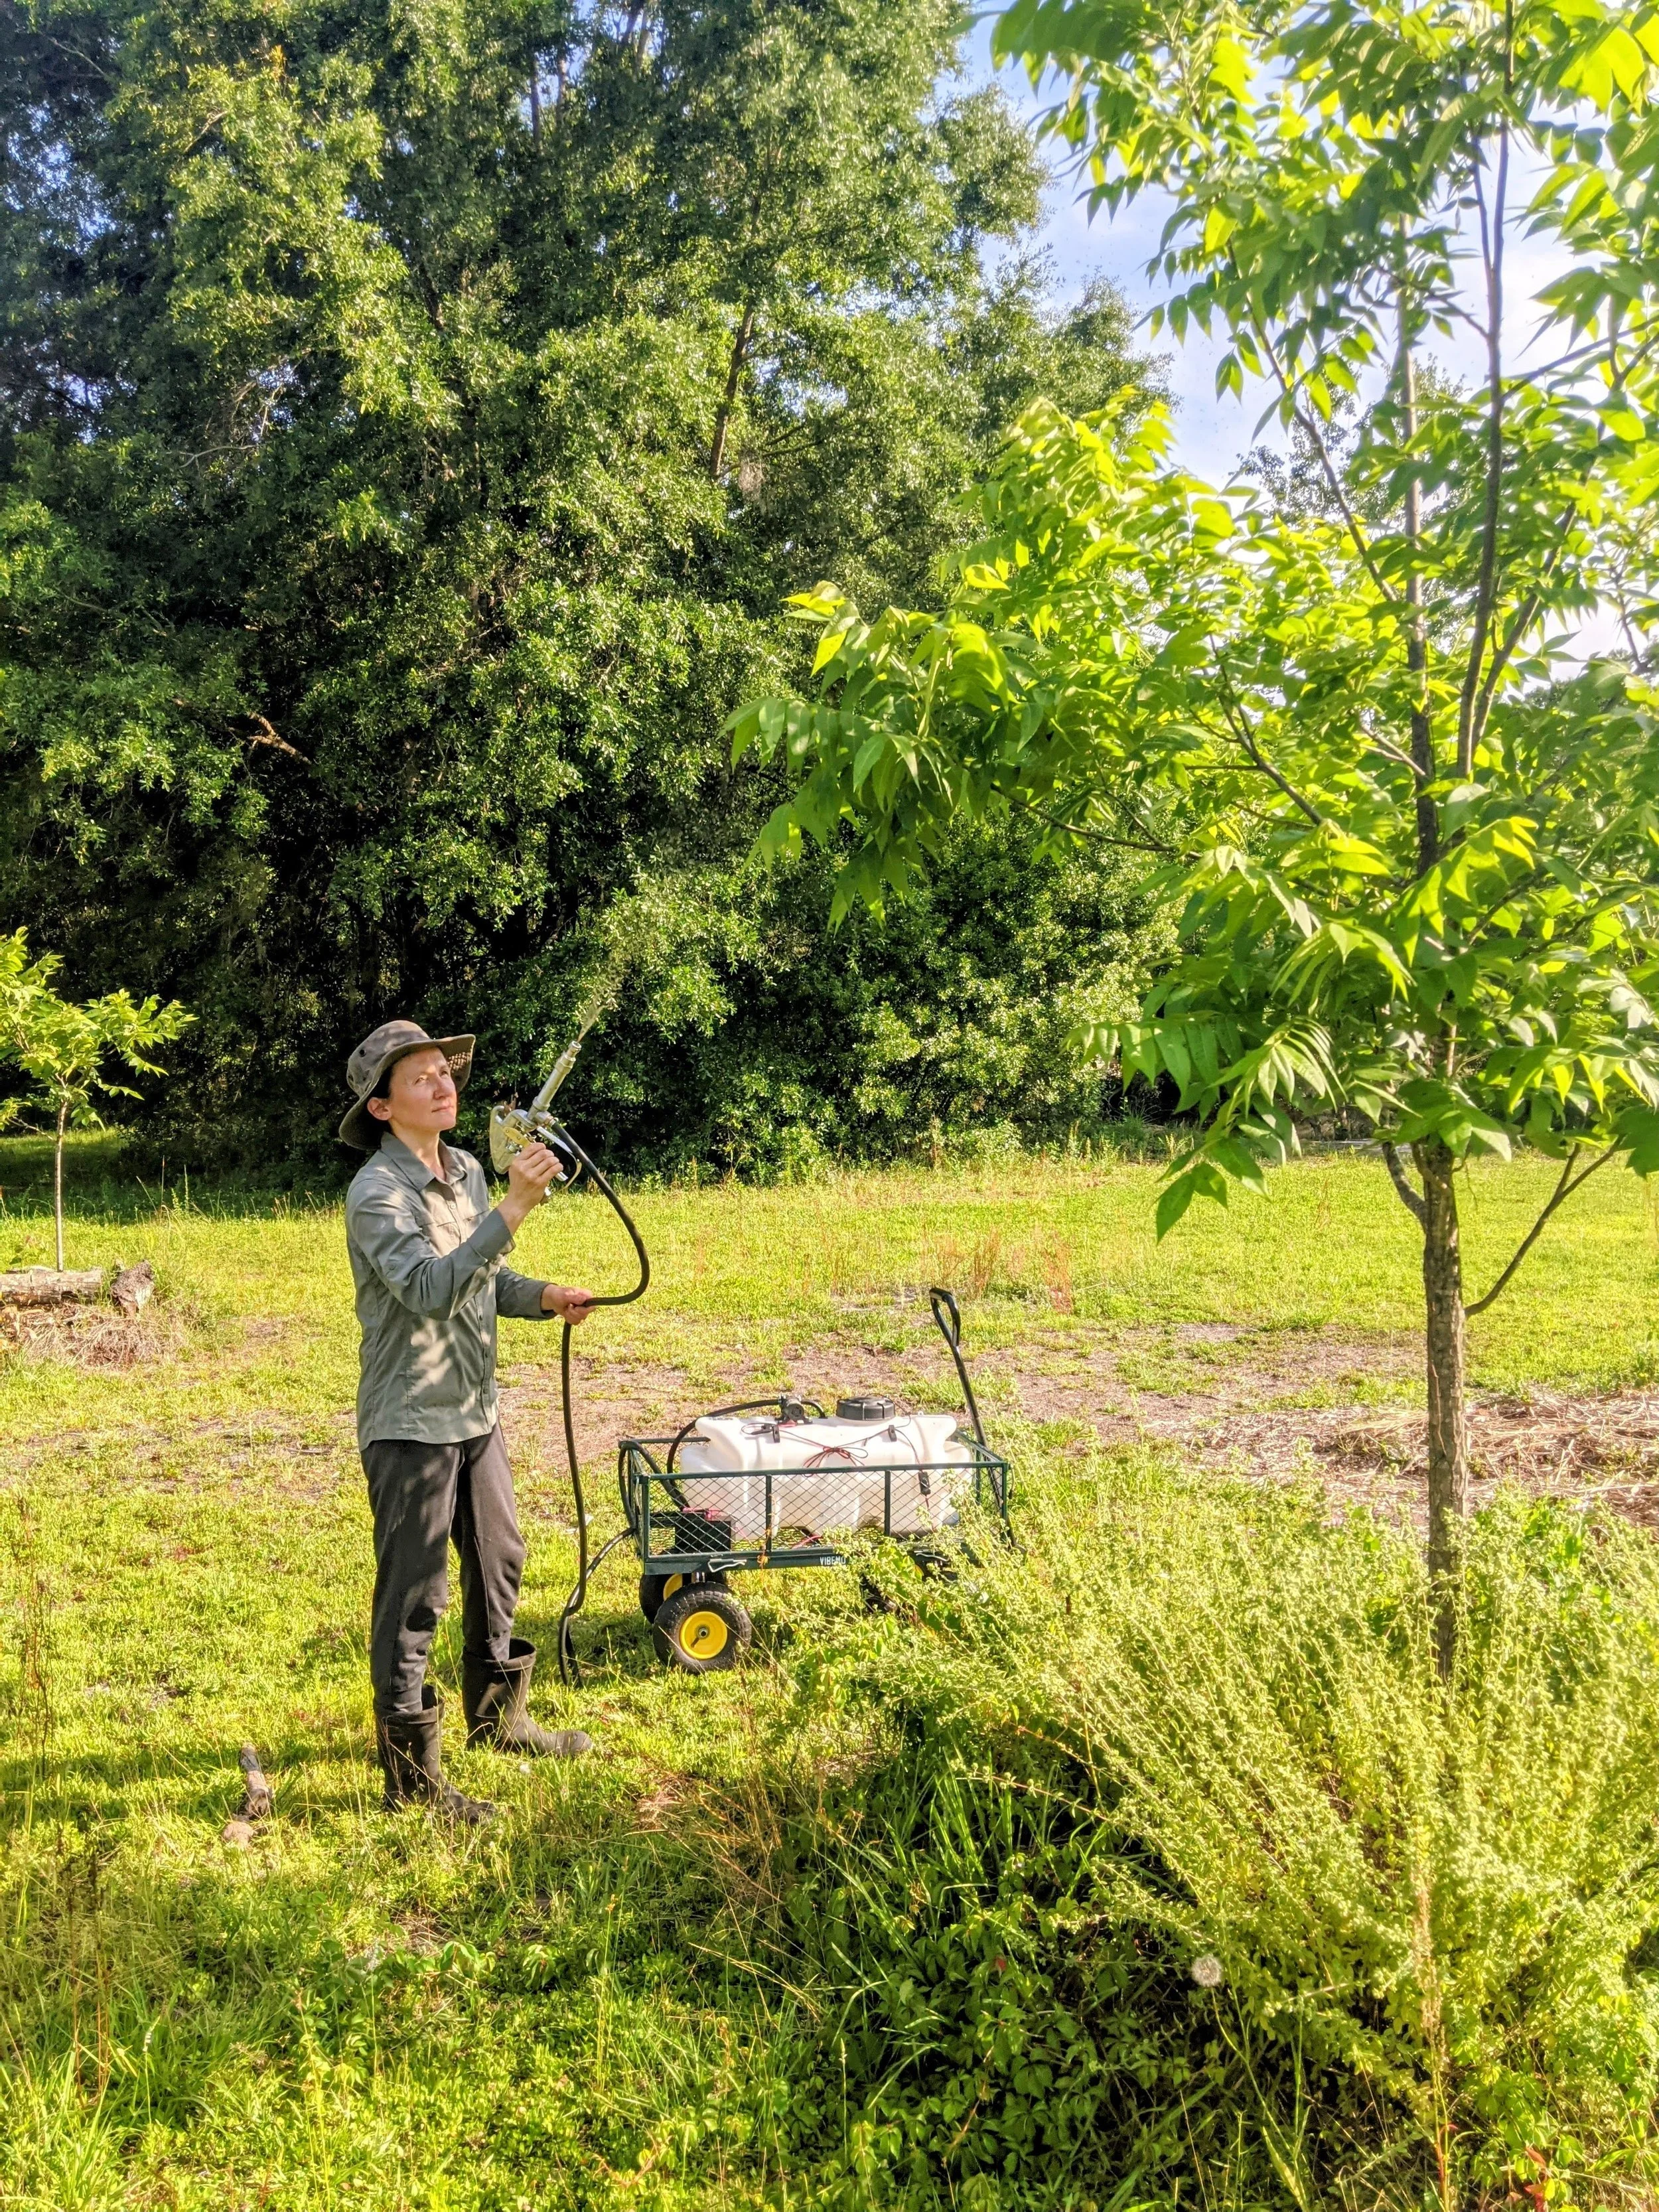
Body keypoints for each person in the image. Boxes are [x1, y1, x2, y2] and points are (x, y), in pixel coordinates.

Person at [340, 1019, 597, 1821]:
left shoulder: (462, 1172)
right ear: (383, 1109)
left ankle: (499, 1718)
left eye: (444, 1071)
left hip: (473, 1410)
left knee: (499, 1558)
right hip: (410, 1420)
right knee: (416, 1597)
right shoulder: (375, 1194)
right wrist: (517, 1206)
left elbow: (483, 1278)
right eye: (419, 1078)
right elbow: (427, 1288)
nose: (443, 1084)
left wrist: (544, 1296)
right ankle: (411, 1781)